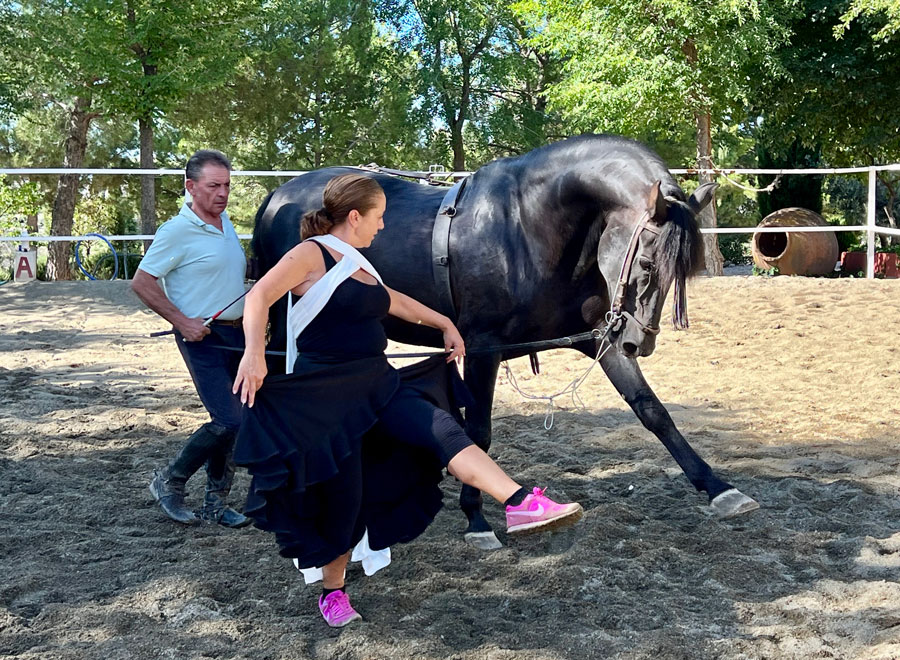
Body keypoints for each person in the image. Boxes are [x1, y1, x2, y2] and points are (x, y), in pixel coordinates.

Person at [232, 173, 583, 628]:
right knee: (346, 501)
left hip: (377, 381)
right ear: (354, 216)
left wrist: (445, 323)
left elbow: (392, 300)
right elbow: (260, 294)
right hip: (327, 398)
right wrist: (255, 355)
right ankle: (332, 591)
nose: (381, 227)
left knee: (442, 429)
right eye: (378, 218)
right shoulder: (310, 253)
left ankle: (519, 504)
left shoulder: (360, 261)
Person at [132, 149, 250, 529]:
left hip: (237, 335)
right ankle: (170, 479)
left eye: (227, 185)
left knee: (237, 420)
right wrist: (182, 321)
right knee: (228, 420)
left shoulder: (225, 222)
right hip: (203, 338)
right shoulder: (176, 231)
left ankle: (216, 504)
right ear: (190, 186)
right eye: (214, 186)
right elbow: (142, 282)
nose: (223, 194)